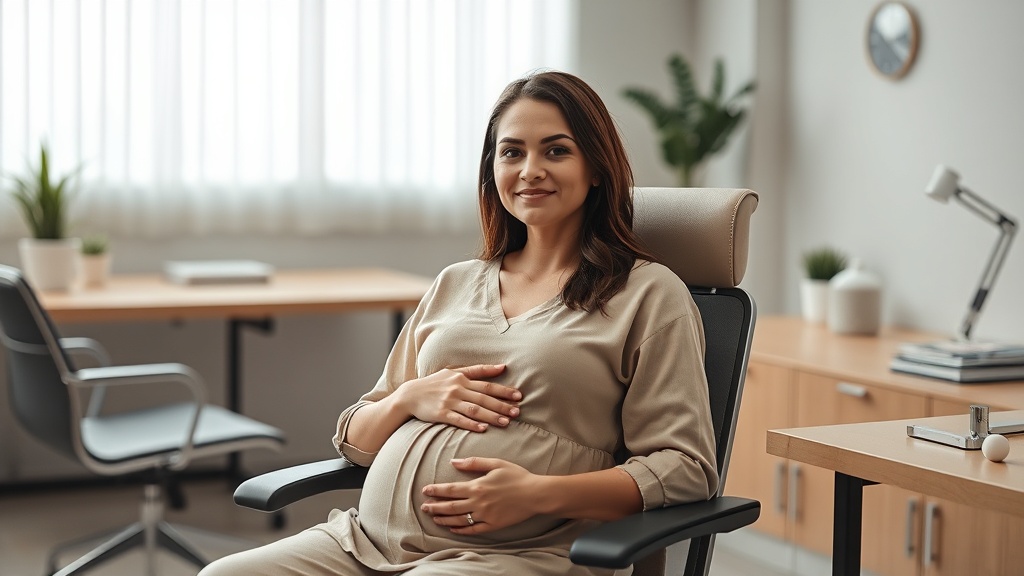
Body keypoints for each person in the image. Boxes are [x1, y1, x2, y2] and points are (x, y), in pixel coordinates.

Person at [200, 70, 718, 576]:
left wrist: (537, 494)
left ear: (597, 168)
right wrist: (408, 398)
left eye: (556, 151)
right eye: (512, 151)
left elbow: (687, 469)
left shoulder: (647, 294)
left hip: (521, 554)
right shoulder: (455, 281)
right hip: (361, 545)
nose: (530, 169)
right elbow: (355, 439)